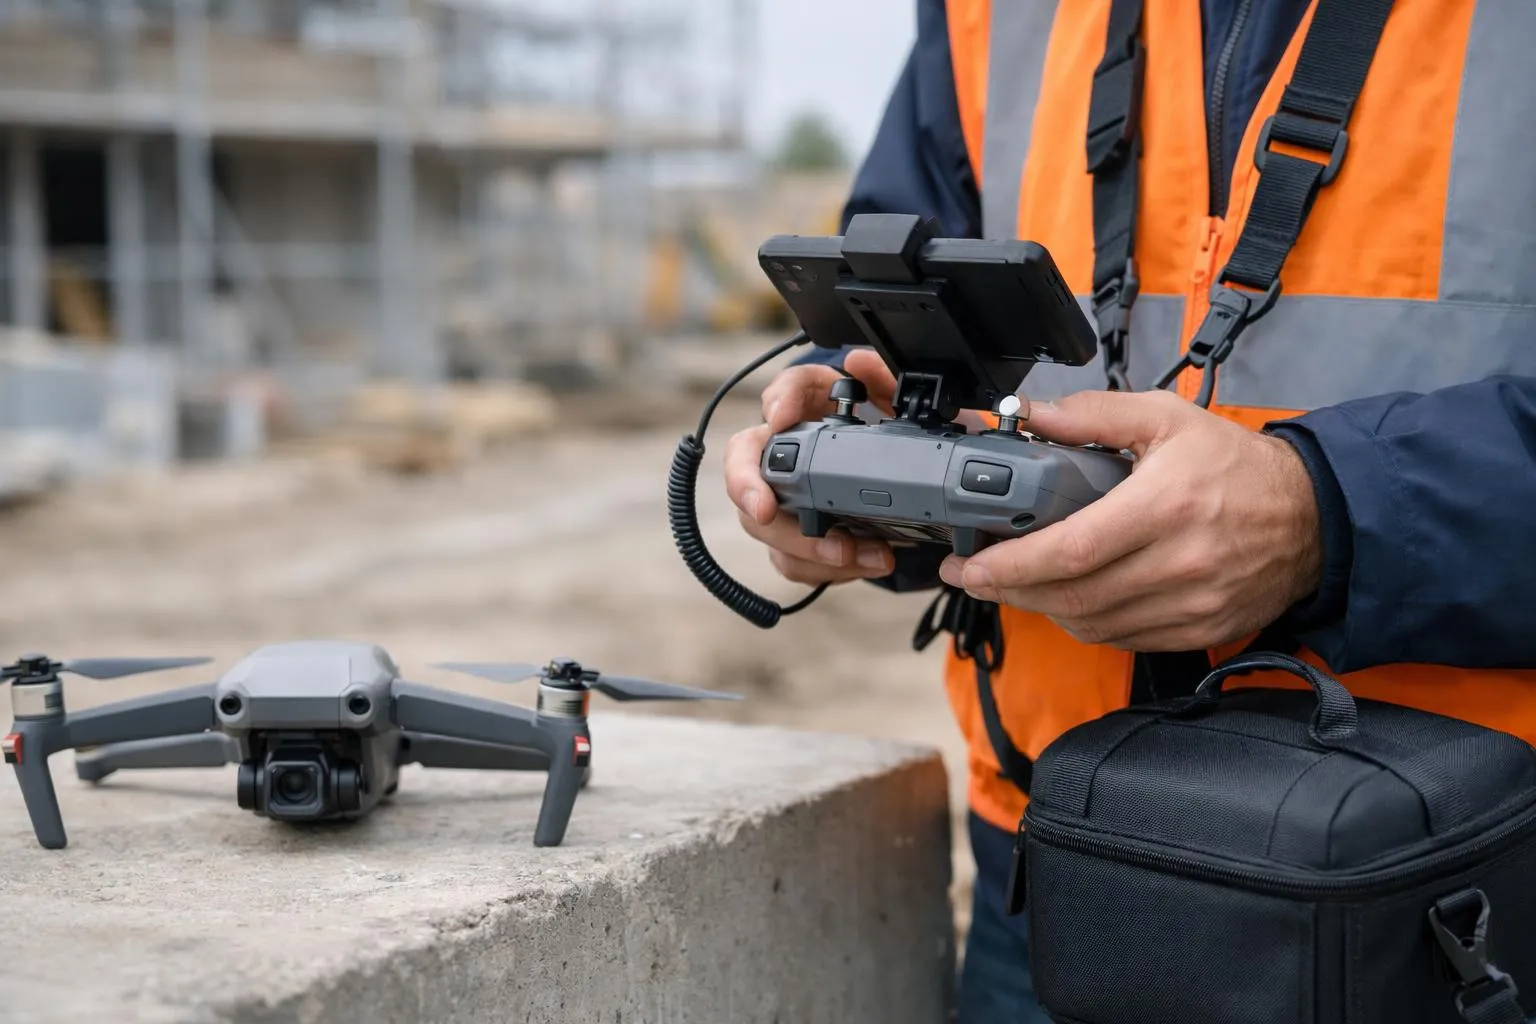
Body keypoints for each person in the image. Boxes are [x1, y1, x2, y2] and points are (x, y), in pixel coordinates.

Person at [722, 1, 1536, 1020]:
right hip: (1055, 859)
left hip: (1459, 889)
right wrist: (860, 421)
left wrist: (1328, 510)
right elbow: (898, 282)